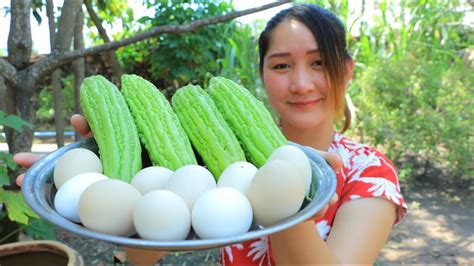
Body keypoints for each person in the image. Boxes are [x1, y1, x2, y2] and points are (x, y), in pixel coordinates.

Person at [15, 3, 407, 265]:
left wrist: (292, 202)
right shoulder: (220, 158)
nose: (301, 83)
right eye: (282, 66)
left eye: (319, 62)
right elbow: (143, 252)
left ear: (348, 69)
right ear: (263, 74)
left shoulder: (369, 173)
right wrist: (94, 182)